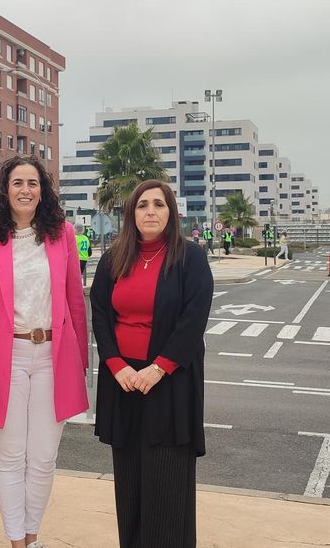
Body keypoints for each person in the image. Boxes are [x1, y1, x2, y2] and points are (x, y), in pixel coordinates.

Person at [0, 155, 88, 548]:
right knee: (12, 456)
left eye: (33, 183)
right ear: (5, 189)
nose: (26, 190)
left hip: (53, 354)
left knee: (44, 457)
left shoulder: (61, 233)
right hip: (7, 358)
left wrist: (80, 362)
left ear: (43, 191)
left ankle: (32, 538)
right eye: (18, 183)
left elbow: (74, 299)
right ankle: (17, 541)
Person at [90, 180, 213, 548]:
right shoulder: (114, 258)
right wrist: (116, 365)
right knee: (129, 484)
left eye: (159, 205)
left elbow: (193, 320)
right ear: (131, 213)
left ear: (171, 212)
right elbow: (99, 313)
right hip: (123, 382)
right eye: (142, 205)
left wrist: (158, 368)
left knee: (166, 486)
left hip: (169, 385)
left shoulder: (190, 258)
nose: (150, 212)